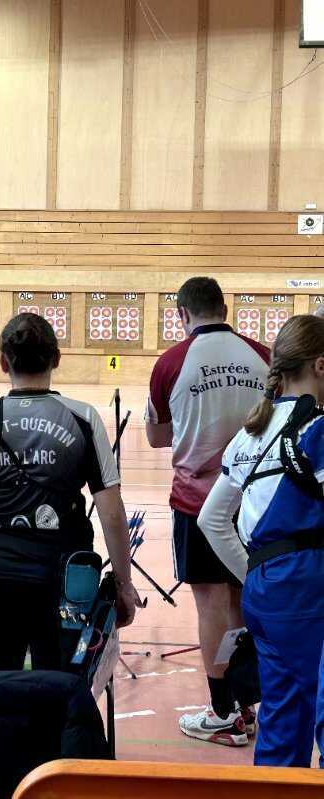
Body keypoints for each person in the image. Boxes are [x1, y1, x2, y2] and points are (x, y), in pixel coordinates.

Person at [0, 312, 140, 673]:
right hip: (65, 580)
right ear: (57, 359)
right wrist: (124, 585)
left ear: (3, 362)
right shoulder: (83, 418)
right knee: (59, 690)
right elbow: (112, 514)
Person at [145, 277, 270, 746]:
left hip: (197, 503)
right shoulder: (262, 355)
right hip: (254, 503)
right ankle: (246, 705)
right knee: (242, 599)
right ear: (224, 309)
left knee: (211, 604)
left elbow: (157, 437)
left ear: (182, 314)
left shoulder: (171, 362)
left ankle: (224, 712)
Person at [199, 315, 324, 766]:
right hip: (307, 588)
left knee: (282, 720)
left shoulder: (249, 433)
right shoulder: (317, 430)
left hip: (266, 591)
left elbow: (211, 519)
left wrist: (253, 572)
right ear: (321, 365)